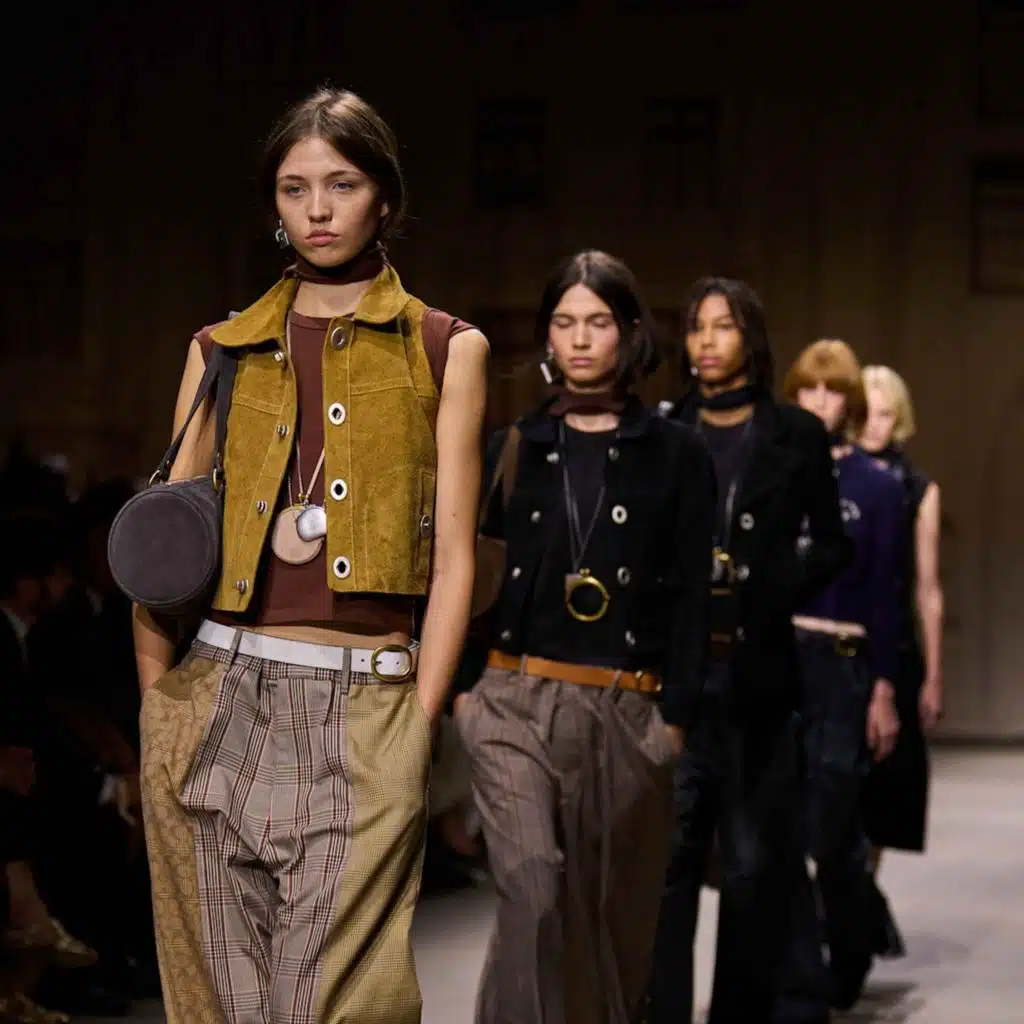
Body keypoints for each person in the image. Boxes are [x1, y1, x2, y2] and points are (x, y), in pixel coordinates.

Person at [133, 86, 488, 1024]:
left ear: (386, 199)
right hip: (214, 696)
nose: (319, 209)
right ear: (274, 207)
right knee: (217, 1001)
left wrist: (417, 723)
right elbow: (162, 549)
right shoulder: (220, 350)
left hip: (367, 704)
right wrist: (157, 708)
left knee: (344, 1003)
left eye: (343, 184)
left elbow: (454, 559)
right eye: (295, 189)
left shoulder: (445, 349)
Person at [455, 250, 714, 1024]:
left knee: (610, 927)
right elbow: (465, 573)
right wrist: (465, 692)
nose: (578, 338)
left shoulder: (678, 453)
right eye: (564, 322)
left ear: (630, 333)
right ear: (546, 336)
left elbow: (693, 595)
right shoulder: (514, 446)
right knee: (533, 889)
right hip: (513, 698)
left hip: (627, 710)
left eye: (597, 322)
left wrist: (675, 720)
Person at [649, 278, 852, 1024]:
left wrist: (770, 585)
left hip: (759, 677)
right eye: (695, 326)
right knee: (669, 867)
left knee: (749, 869)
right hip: (675, 678)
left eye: (723, 326)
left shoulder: (795, 434)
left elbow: (832, 543)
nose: (706, 341)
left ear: (751, 337)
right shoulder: (665, 429)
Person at [783, 340, 906, 1008]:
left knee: (832, 823)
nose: (820, 402)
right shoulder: (774, 473)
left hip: (844, 663)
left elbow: (888, 592)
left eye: (833, 391)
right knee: (777, 823)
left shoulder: (878, 487)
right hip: (779, 657)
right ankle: (799, 968)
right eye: (809, 389)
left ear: (850, 402)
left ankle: (852, 943)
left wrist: (885, 688)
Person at [858, 364, 943, 952]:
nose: (874, 424)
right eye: (866, 411)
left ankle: (860, 890)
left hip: (895, 646)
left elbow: (927, 588)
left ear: (901, 419)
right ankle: (851, 896)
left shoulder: (916, 488)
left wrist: (934, 675)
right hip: (833, 640)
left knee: (884, 789)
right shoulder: (826, 472)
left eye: (885, 413)